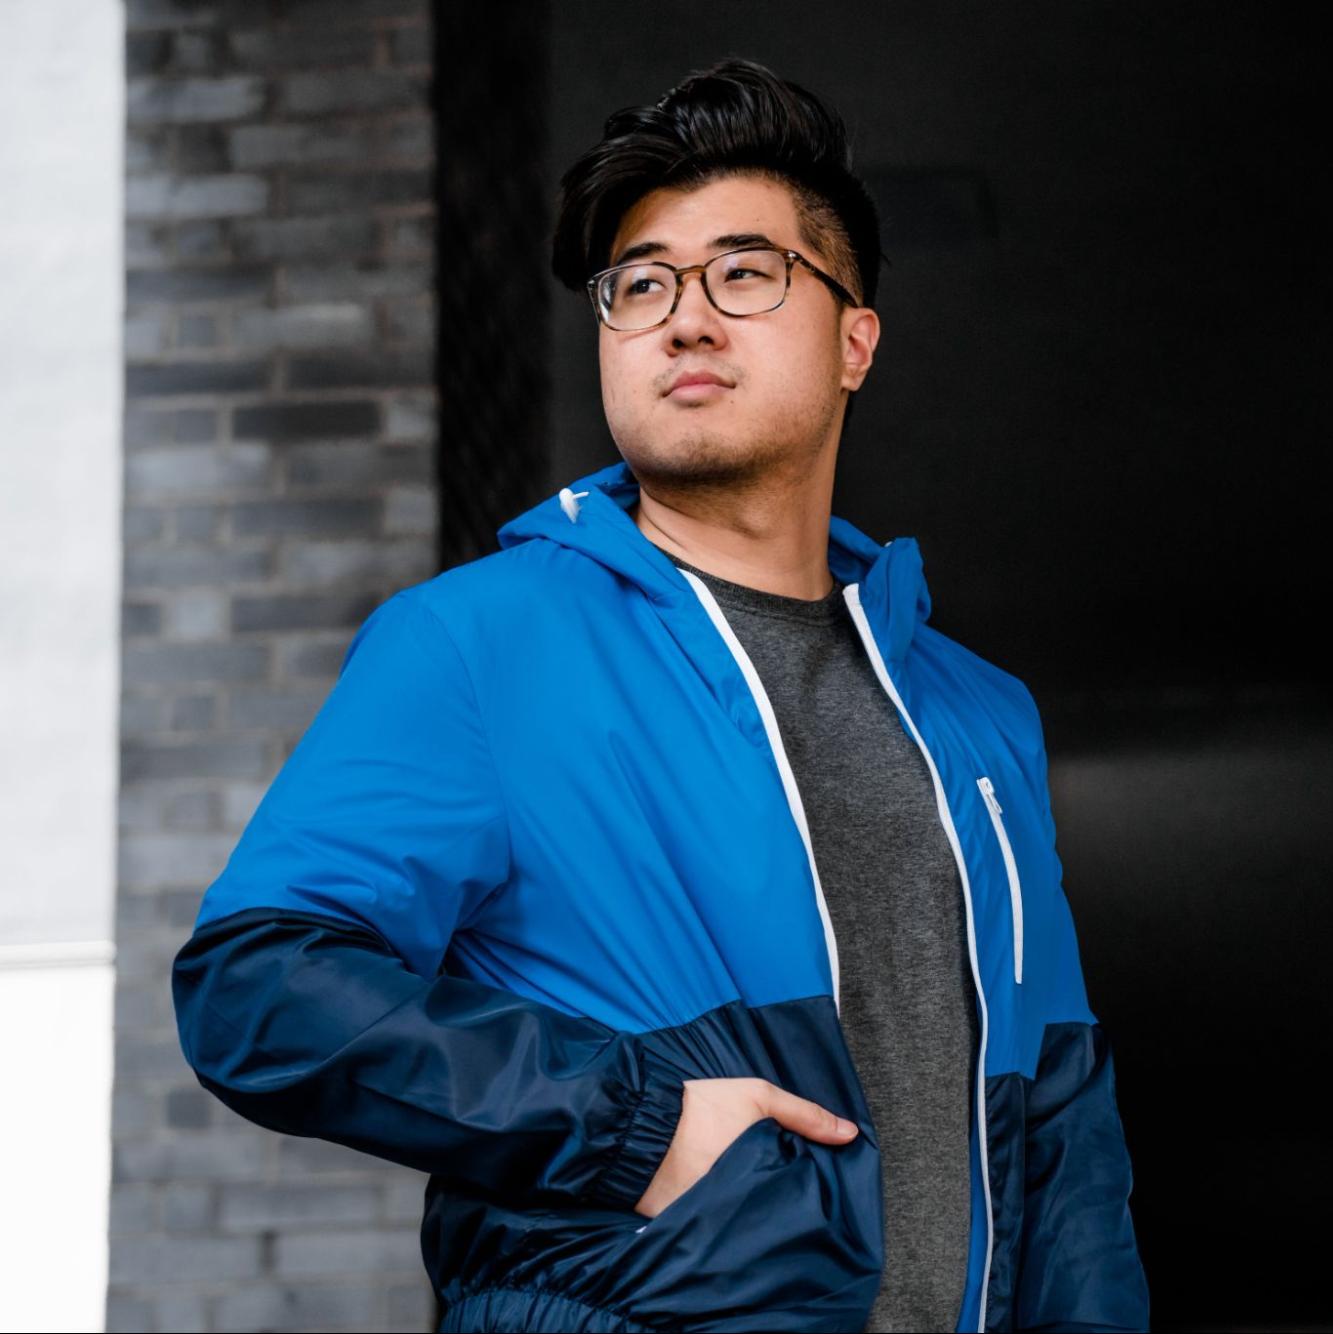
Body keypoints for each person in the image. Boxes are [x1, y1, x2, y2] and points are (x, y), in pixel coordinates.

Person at [170, 56, 1149, 1334]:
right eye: (639, 285)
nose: (684, 317)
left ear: (856, 338)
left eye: (744, 273)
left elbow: (1062, 1134)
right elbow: (258, 986)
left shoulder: (978, 715)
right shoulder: (478, 644)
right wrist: (633, 1120)